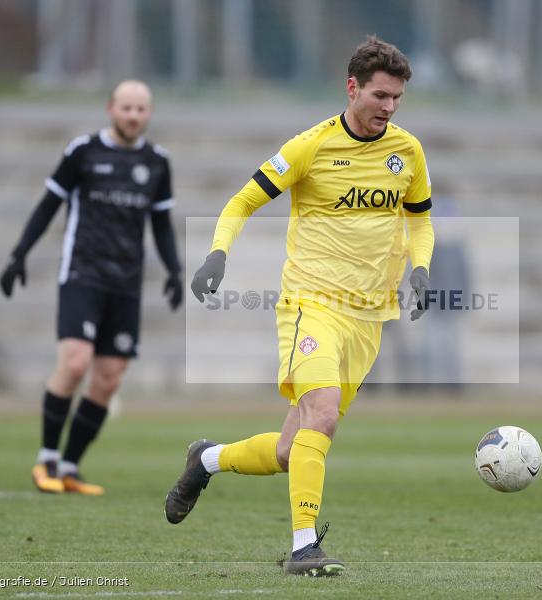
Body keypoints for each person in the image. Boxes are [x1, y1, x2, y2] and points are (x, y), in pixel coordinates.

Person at [164, 36, 434, 576]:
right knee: (324, 415)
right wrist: (218, 254)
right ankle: (304, 547)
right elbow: (242, 200)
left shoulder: (407, 151)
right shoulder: (309, 146)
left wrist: (422, 266)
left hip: (369, 318)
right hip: (310, 303)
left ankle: (207, 459)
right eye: (380, 95)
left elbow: (420, 218)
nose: (388, 107)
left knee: (294, 449)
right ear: (352, 87)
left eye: (397, 98)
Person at [0, 80, 182, 495]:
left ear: (148, 114)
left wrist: (174, 270)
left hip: (126, 284)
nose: (133, 116)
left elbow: (160, 224)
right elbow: (48, 205)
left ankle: (69, 467)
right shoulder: (83, 151)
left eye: (140, 109)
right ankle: (46, 459)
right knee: (76, 363)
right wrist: (18, 254)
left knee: (109, 378)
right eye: (126, 108)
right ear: (110, 109)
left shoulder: (157, 162)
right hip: (82, 275)